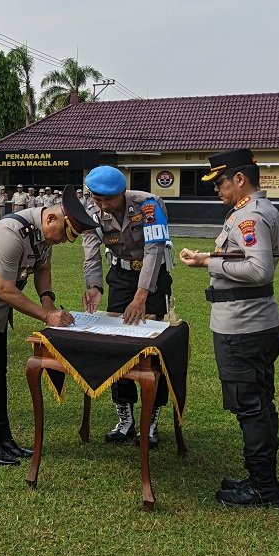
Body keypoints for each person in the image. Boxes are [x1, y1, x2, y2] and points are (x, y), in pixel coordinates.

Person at [0, 185, 98, 464]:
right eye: (63, 235)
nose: (62, 242)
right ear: (51, 218)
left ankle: (4, 439)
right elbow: (5, 289)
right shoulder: (12, 232)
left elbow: (43, 267)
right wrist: (46, 316)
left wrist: (48, 301)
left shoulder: (44, 233)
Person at [179, 149, 279, 508]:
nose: (216, 189)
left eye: (220, 182)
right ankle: (260, 478)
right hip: (256, 321)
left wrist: (209, 263)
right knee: (260, 402)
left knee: (250, 406)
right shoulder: (258, 210)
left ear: (240, 179)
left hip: (242, 325)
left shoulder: (249, 216)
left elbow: (259, 270)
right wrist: (209, 259)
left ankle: (264, 488)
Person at [81, 165, 174, 447]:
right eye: (97, 199)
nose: (103, 206)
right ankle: (125, 418)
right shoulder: (90, 210)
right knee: (116, 345)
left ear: (122, 193)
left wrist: (141, 295)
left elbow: (154, 250)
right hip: (119, 278)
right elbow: (91, 252)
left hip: (153, 279)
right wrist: (94, 287)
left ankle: (151, 421)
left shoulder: (149, 204)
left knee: (153, 349)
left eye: (109, 199)